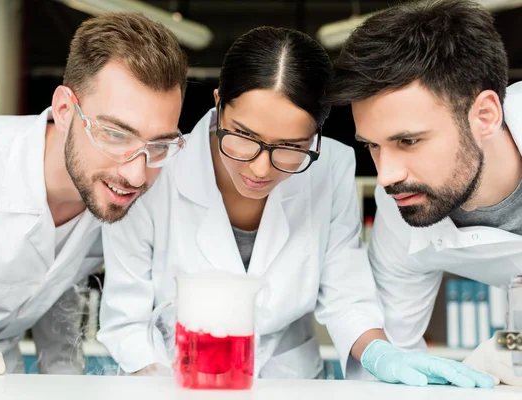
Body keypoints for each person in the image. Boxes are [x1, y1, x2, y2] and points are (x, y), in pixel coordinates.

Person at [96, 26, 493, 387]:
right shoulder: (154, 169)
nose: (259, 167)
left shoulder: (330, 169)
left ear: (316, 134)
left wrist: (381, 354)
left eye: (290, 148)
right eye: (244, 137)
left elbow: (345, 295)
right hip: (172, 378)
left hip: (292, 383)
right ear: (219, 104)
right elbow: (126, 320)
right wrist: (167, 386)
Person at [0, 12, 187, 376]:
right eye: (115, 135)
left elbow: (58, 291)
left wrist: (65, 374)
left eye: (157, 144)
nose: (136, 174)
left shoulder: (117, 199)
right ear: (64, 109)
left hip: (3, 378)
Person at [329, 0, 522, 386]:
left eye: (409, 140)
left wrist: (508, 347)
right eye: (373, 145)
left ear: (485, 115)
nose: (385, 176)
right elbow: (394, 366)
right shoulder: (403, 204)